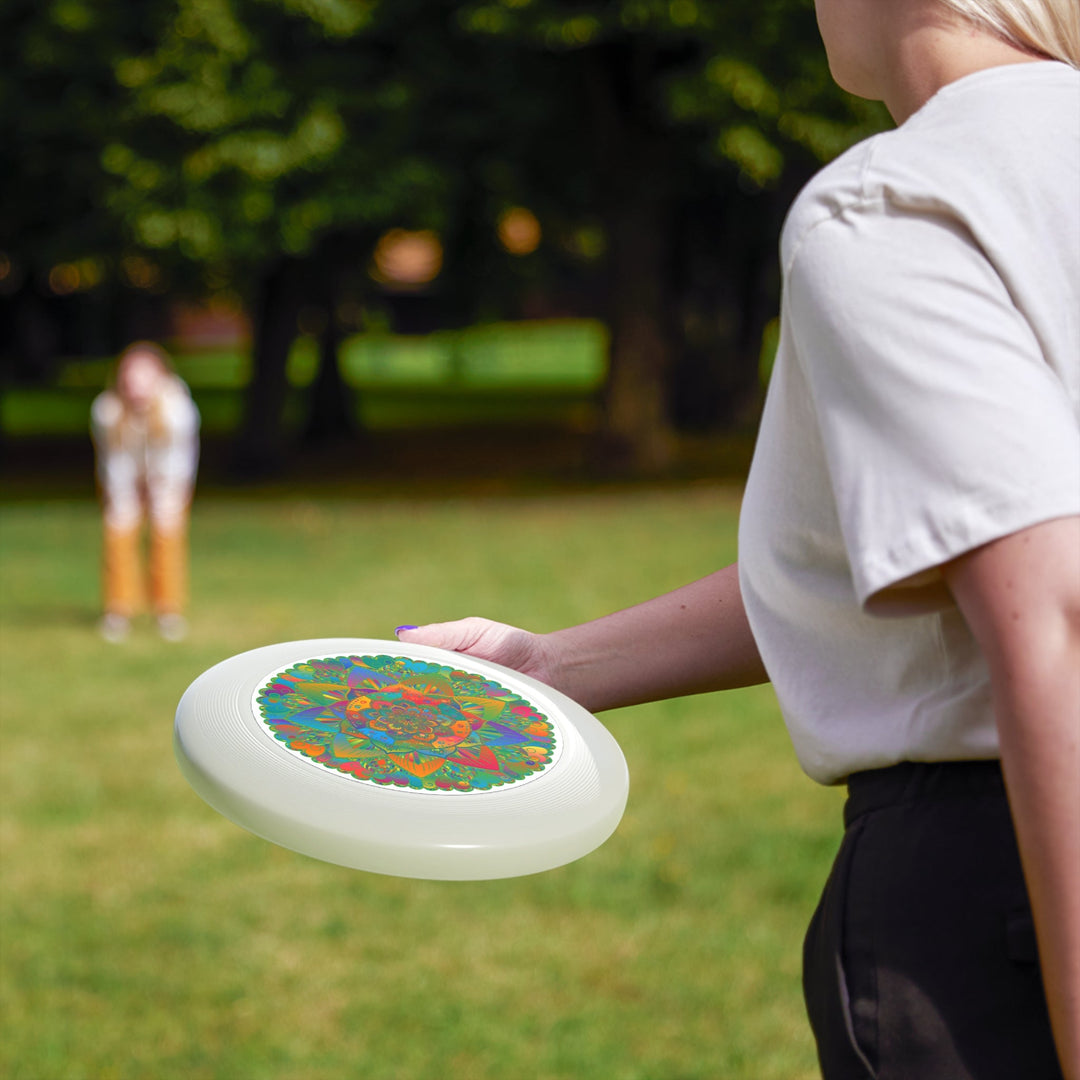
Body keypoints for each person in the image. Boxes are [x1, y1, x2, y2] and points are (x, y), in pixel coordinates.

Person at [395, 1, 1080, 1077]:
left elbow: (1054, 615)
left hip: (1004, 888)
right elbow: (914, 554)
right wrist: (550, 665)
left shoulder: (900, 201)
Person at [91, 341, 200, 642]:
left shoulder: (178, 410)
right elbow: (114, 460)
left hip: (168, 479)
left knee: (167, 535)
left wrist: (160, 492)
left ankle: (168, 610)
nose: (136, 385)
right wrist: (126, 495)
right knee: (118, 531)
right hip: (123, 478)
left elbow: (177, 460)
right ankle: (118, 610)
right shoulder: (107, 410)